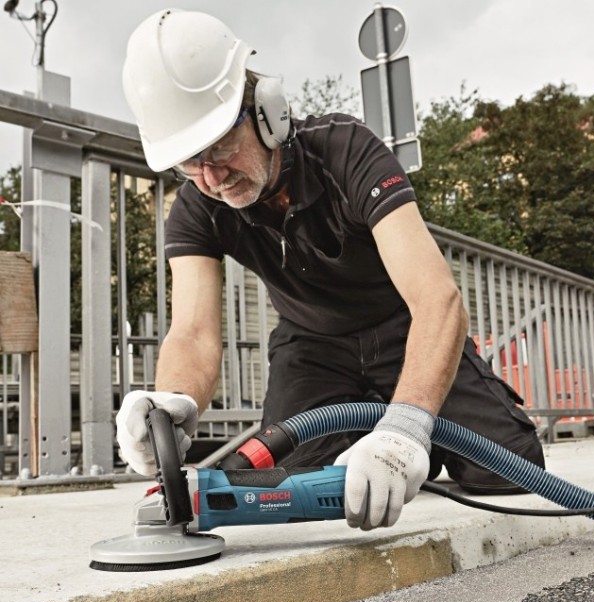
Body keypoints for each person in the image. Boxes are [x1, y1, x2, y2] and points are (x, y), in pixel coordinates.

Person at [116, 8, 545, 531]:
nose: (212, 176)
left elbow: (438, 299)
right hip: (312, 347)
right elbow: (193, 329)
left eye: (222, 147)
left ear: (266, 111)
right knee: (303, 485)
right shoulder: (195, 207)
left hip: (405, 329)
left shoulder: (347, 151)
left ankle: (411, 433)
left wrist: (407, 424)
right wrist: (174, 400)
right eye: (190, 161)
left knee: (511, 474)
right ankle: (400, 443)